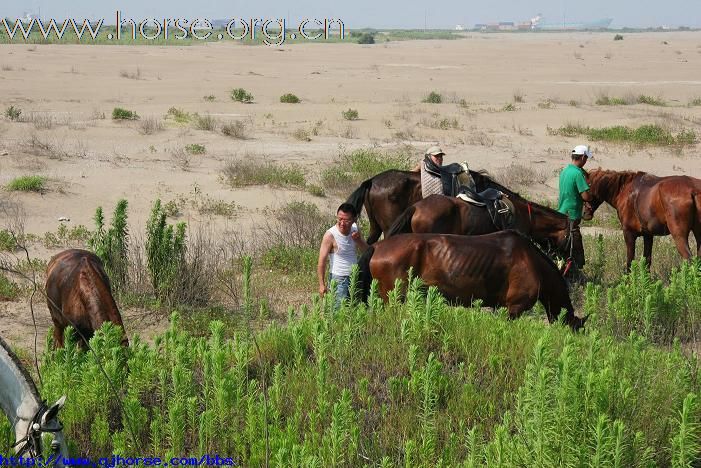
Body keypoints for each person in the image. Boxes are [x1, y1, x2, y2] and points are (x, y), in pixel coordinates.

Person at [317, 203, 368, 306]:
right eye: (339, 219)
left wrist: (359, 240)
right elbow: (322, 261)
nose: (342, 223)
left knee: (353, 309)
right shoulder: (330, 235)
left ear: (354, 219)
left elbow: (366, 251)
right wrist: (322, 285)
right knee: (339, 311)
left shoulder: (355, 229)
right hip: (339, 279)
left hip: (355, 277)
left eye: (346, 220)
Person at [557, 144, 593, 268]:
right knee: (574, 245)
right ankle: (574, 270)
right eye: (586, 158)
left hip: (562, 211)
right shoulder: (578, 174)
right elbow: (586, 196)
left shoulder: (565, 171)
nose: (586, 161)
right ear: (583, 157)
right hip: (572, 214)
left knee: (564, 242)